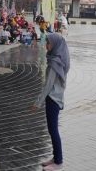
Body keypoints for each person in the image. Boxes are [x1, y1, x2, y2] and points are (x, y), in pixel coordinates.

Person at [33, 33, 70, 171]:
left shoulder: (55, 62)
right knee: (51, 129)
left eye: (48, 43)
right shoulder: (58, 58)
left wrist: (37, 102)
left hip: (53, 99)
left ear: (55, 45)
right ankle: (55, 157)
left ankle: (59, 162)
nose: (46, 45)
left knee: (53, 130)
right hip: (55, 97)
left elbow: (48, 85)